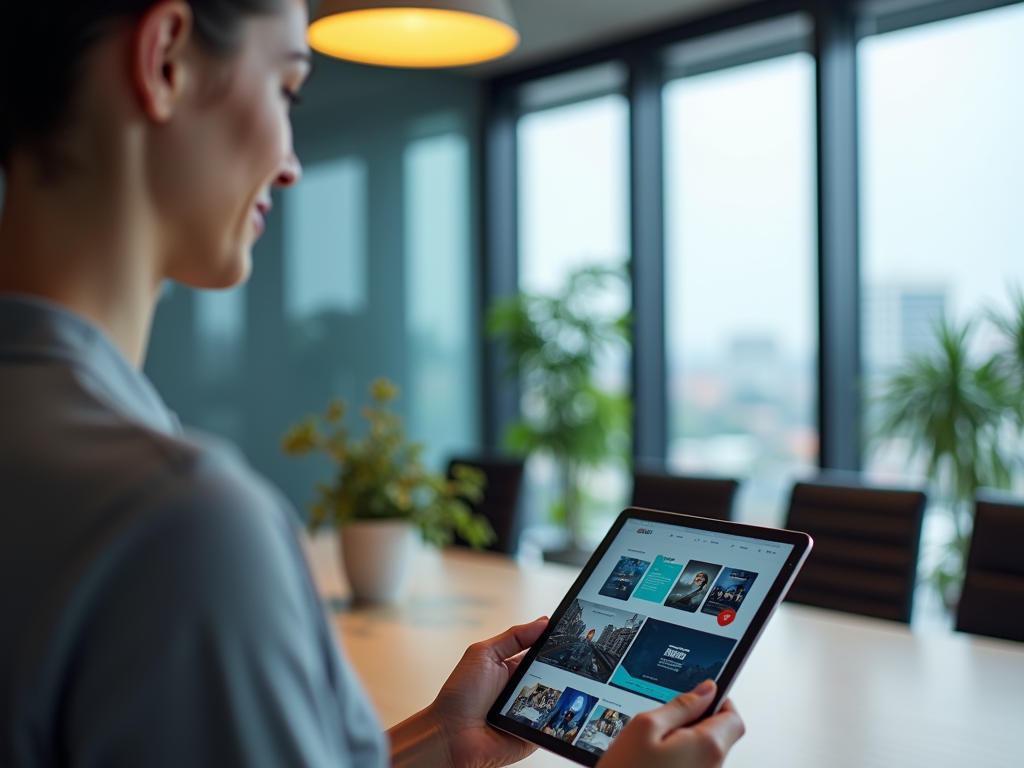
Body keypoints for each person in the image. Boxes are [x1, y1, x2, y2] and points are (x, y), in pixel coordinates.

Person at [0, 2, 745, 767]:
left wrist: (444, 739)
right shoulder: (174, 520)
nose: (290, 164)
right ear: (165, 60)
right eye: (287, 88)